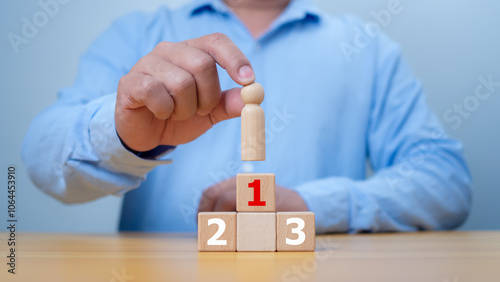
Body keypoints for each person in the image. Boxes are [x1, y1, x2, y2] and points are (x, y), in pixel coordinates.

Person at [22, 0, 472, 233]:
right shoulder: (138, 33)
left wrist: (316, 206)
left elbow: (446, 183)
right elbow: (42, 159)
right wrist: (121, 134)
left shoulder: (367, 49)